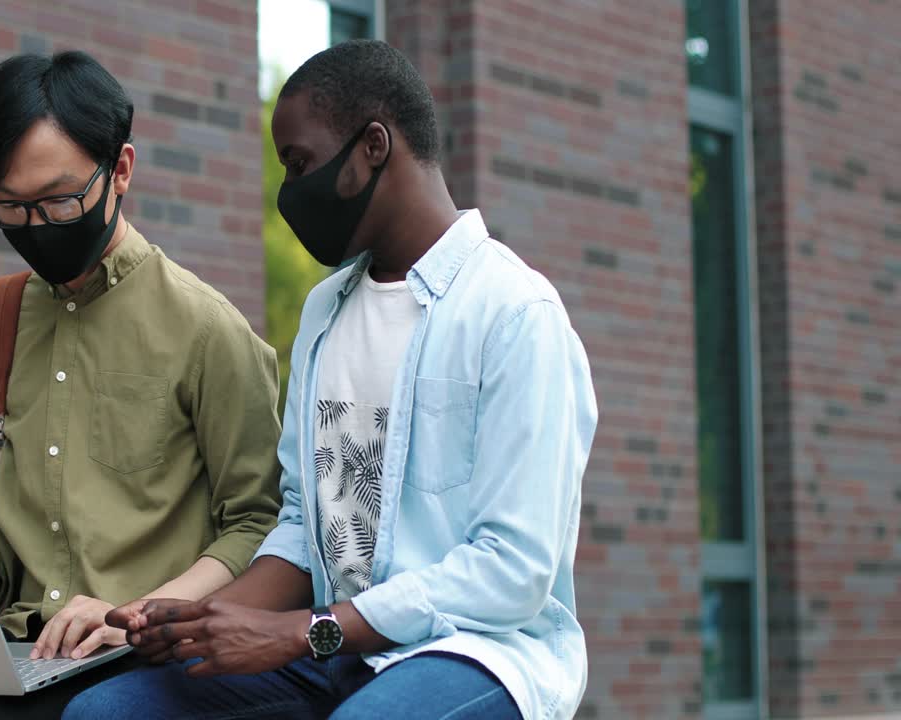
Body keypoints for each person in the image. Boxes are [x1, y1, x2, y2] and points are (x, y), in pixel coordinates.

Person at [63, 39, 599, 720]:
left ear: (374, 145)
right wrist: (202, 618)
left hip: (481, 651)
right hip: (335, 652)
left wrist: (304, 630)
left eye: (300, 163)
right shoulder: (325, 313)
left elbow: (512, 570)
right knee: (105, 712)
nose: (290, 191)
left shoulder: (515, 313)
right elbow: (303, 523)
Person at [0, 51, 283, 720]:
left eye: (60, 200)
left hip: (132, 649)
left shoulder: (208, 330)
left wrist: (142, 615)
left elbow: (256, 523)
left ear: (120, 170)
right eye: (9, 207)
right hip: (12, 641)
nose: (36, 227)